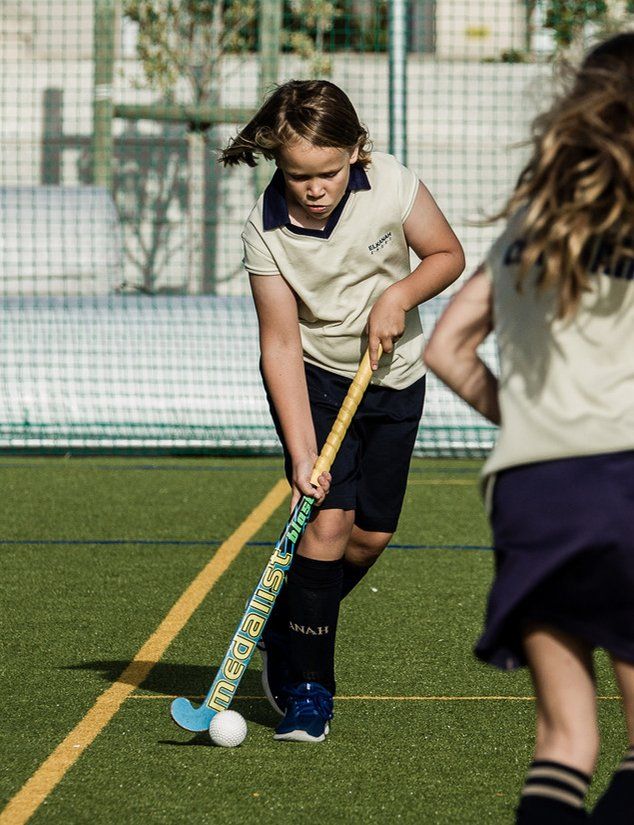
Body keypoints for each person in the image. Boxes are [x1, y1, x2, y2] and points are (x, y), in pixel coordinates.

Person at [423, 32, 634, 824]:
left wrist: (536, 424)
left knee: (563, 740)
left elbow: (446, 348)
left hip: (534, 488)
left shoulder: (528, 226)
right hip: (627, 481)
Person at [220, 79, 464, 742]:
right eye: (298, 175)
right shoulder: (264, 233)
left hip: (396, 378)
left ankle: (288, 623)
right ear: (278, 164)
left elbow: (447, 255)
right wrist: (302, 452)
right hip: (317, 380)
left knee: (370, 536)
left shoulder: (390, 183)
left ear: (356, 151)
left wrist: (401, 294)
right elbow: (277, 346)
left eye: (328, 172)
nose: (315, 188)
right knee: (328, 523)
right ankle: (308, 690)